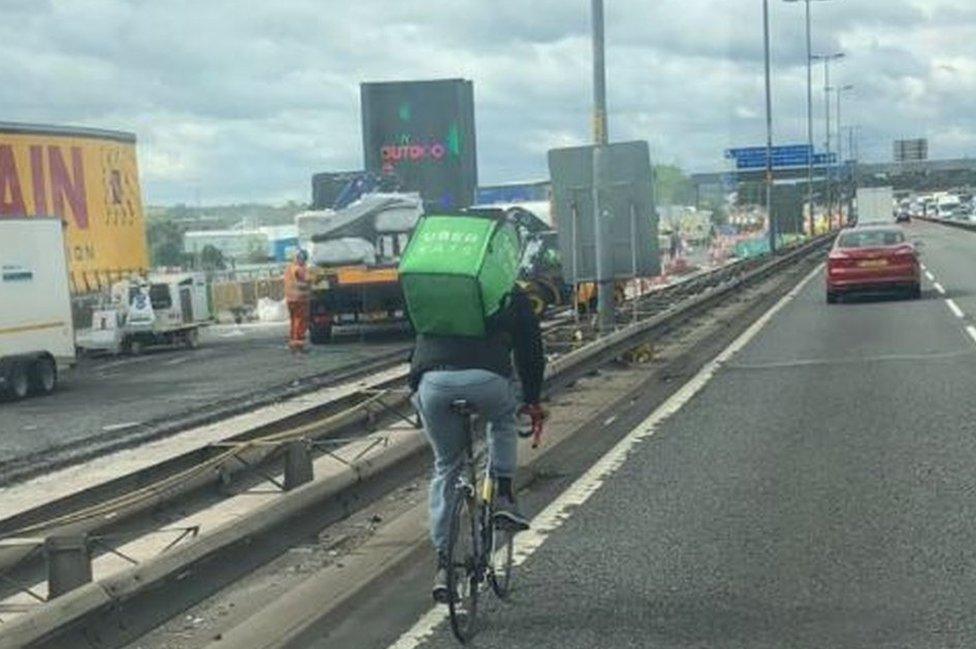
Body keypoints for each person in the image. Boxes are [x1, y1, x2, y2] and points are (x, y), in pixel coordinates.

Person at [410, 284, 546, 603]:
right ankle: (503, 496)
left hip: (434, 382)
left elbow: (415, 336)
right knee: (502, 419)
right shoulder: (506, 289)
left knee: (447, 465)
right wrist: (532, 399)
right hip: (487, 380)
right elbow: (530, 350)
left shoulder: (432, 284)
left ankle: (444, 564)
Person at [284, 249, 311, 352]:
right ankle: (298, 345)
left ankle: (293, 343)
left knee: (294, 321)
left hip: (290, 299)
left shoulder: (289, 268)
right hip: (300, 299)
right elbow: (308, 279)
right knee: (300, 322)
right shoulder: (300, 268)